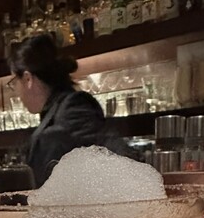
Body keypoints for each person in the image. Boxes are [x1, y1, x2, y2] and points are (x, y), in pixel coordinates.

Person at [7, 34, 129, 187]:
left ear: (27, 79)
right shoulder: (57, 110)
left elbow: (114, 159)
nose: (16, 93)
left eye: (14, 83)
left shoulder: (75, 106)